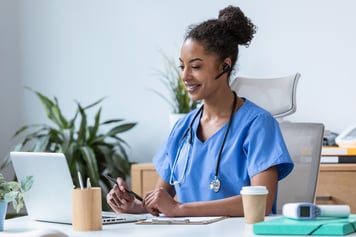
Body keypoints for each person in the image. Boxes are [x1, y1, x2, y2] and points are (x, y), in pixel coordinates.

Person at [107, 5, 293, 217]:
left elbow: (261, 202)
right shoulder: (182, 128)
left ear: (225, 66)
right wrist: (137, 205)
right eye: (182, 66)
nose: (185, 76)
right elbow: (161, 198)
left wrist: (179, 208)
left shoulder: (258, 124)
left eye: (195, 67)